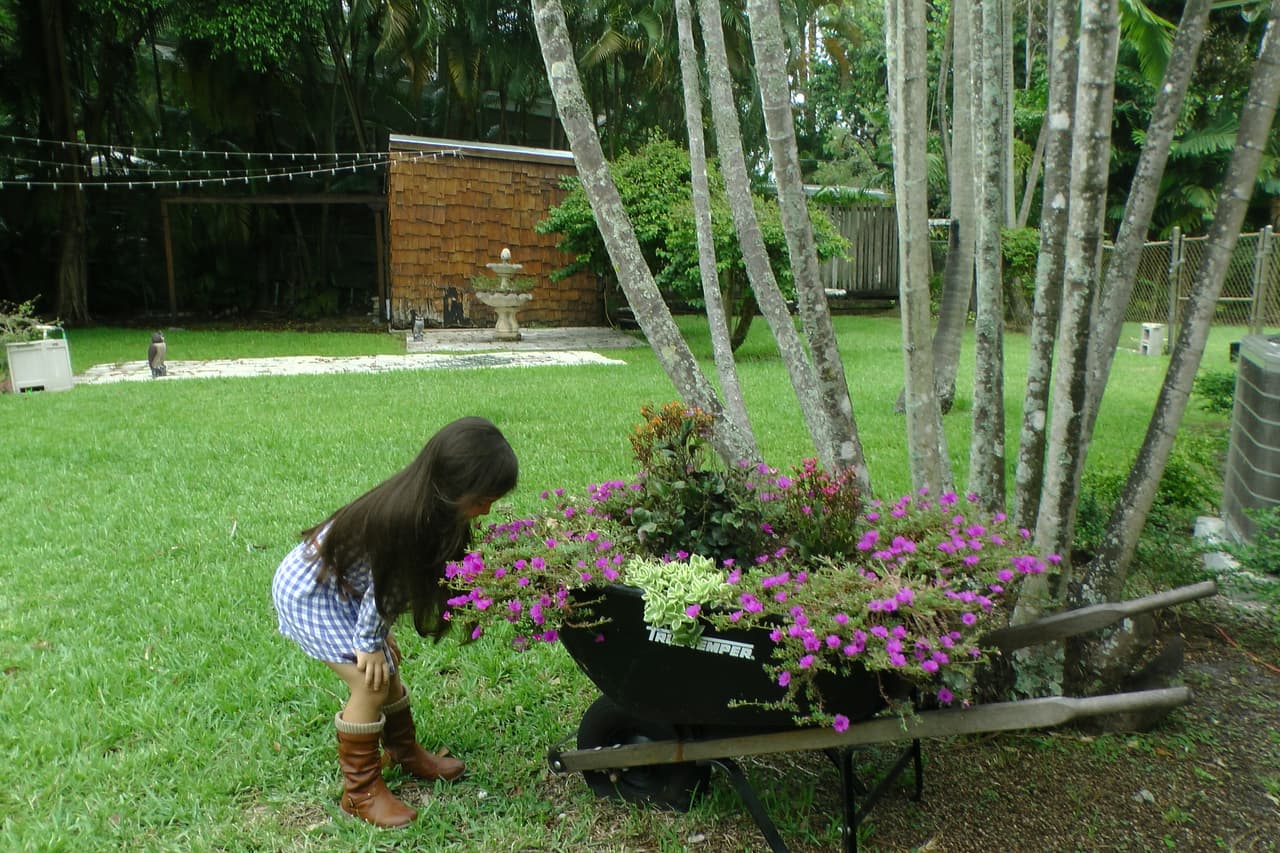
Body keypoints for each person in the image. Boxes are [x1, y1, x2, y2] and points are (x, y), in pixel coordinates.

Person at [272, 416, 518, 828]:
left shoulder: (429, 507)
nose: (487, 511)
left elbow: (380, 586)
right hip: (310, 592)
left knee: (385, 670)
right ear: (452, 487)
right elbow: (384, 589)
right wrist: (369, 642)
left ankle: (404, 751)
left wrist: (377, 639)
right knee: (368, 682)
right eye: (482, 501)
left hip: (346, 587)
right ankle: (361, 793)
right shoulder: (409, 520)